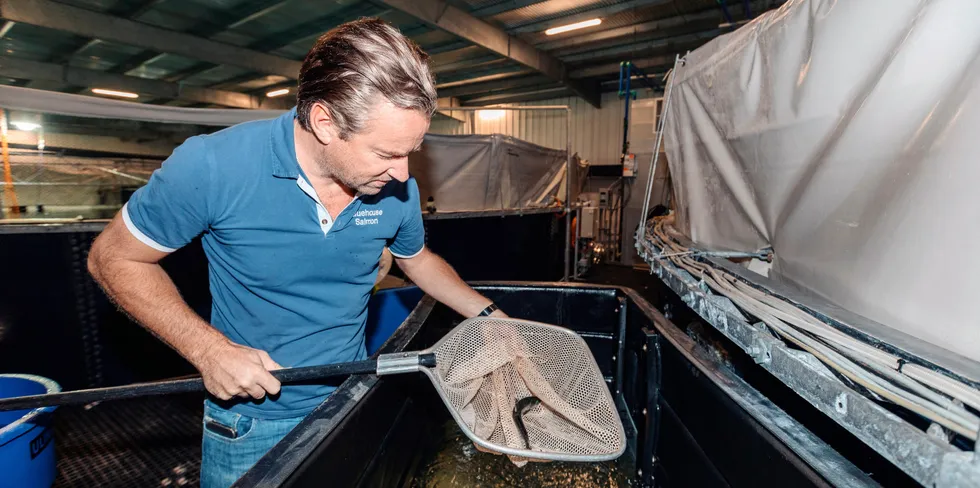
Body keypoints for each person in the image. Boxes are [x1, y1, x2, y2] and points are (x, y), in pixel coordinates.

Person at [86, 18, 505, 488]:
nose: (404, 175)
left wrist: (492, 317)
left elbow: (417, 259)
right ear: (325, 122)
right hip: (252, 426)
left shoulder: (396, 188)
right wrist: (207, 349)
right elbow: (112, 258)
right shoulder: (213, 166)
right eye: (387, 153)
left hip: (350, 402)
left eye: (412, 151)